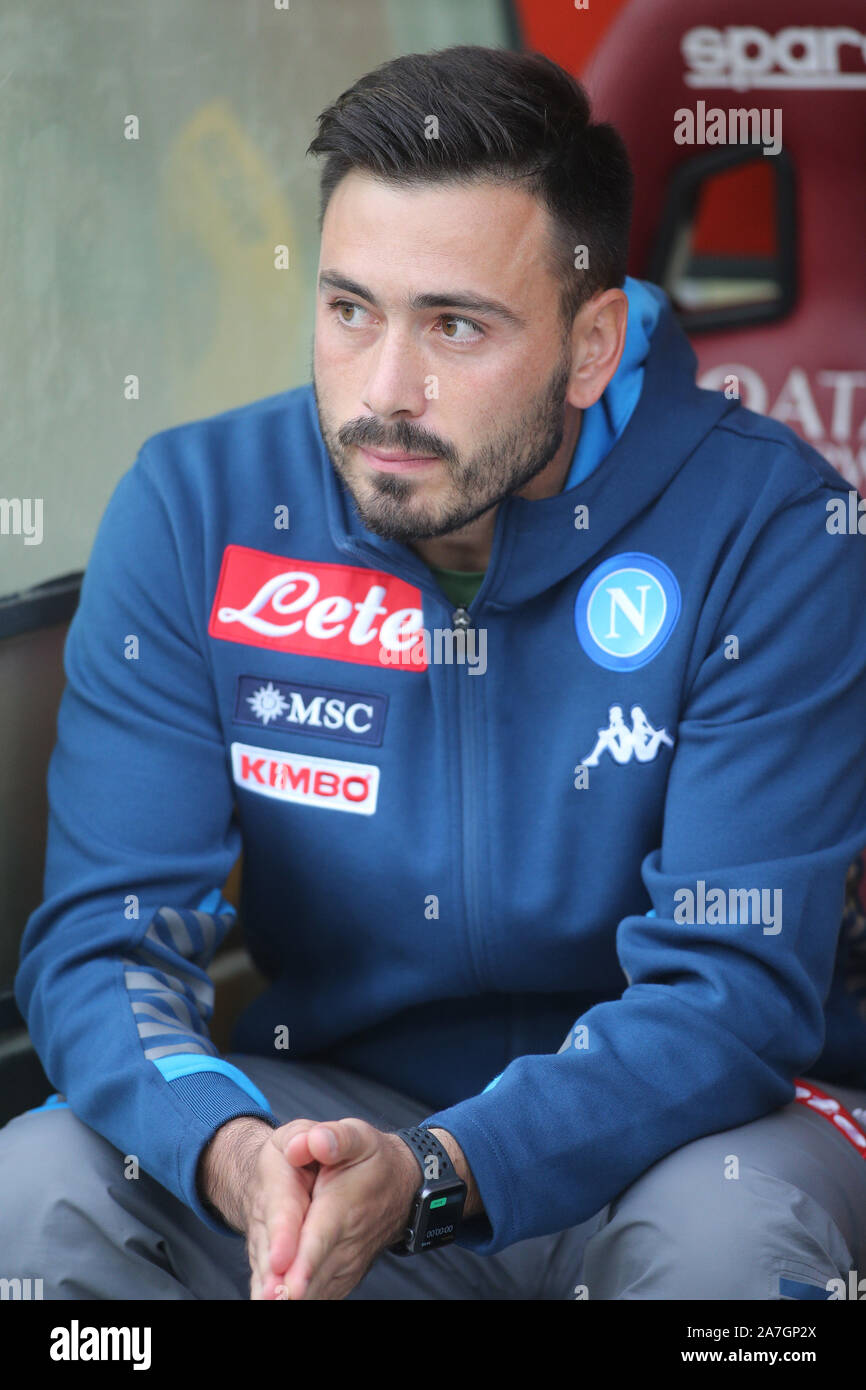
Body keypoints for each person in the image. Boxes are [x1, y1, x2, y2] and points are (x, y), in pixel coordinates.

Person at [2, 44, 866, 1302]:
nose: (383, 394)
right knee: (40, 1187)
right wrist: (236, 1157)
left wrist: (443, 1173)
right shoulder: (199, 509)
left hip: (707, 1132)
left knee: (722, 1251)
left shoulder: (772, 531)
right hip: (349, 1110)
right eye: (350, 310)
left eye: (454, 325)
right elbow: (104, 941)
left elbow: (728, 1000)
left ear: (589, 345)